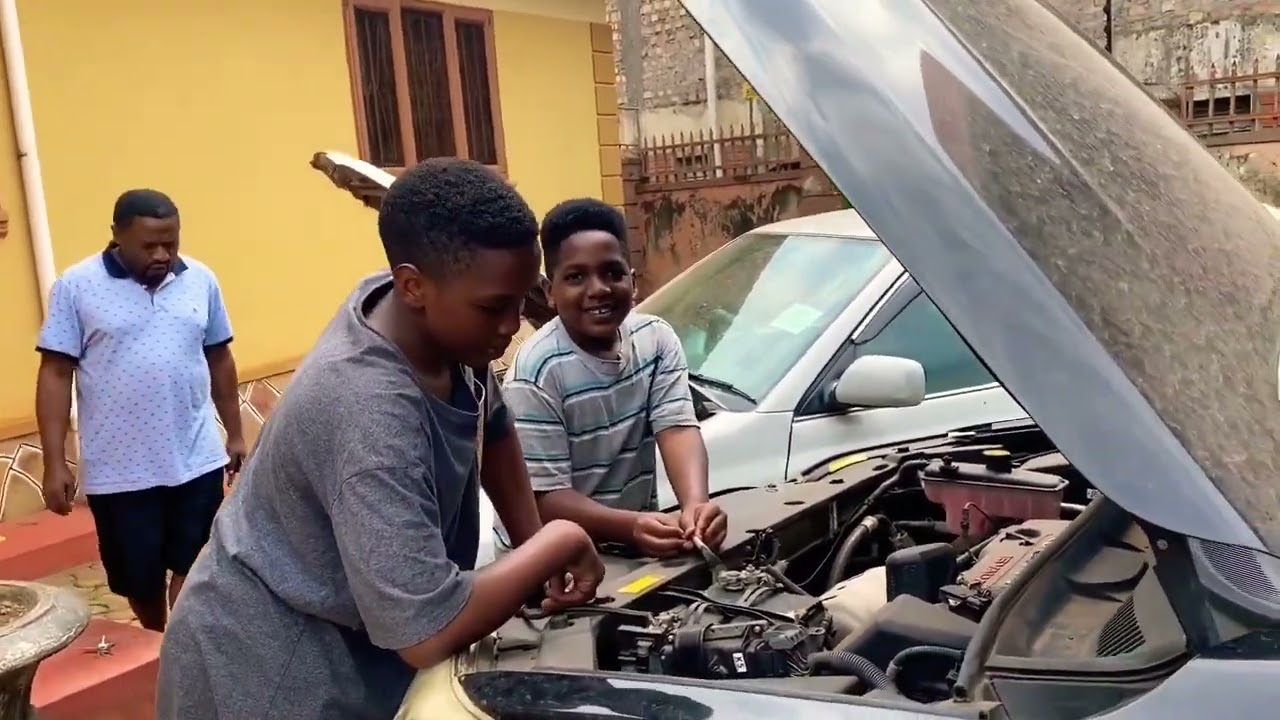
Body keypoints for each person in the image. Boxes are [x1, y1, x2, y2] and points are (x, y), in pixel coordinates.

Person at [155, 159, 604, 720]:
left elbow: (494, 424)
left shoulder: (432, 320)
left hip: (356, 642)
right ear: (413, 284)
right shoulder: (368, 414)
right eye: (495, 307)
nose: (512, 324)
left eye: (520, 301)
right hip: (269, 671)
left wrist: (530, 546)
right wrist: (556, 543)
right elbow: (425, 629)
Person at [34, 189, 244, 632]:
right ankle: (155, 636)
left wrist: (235, 432)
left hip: (196, 458)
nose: (162, 254)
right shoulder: (76, 286)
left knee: (198, 563)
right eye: (149, 245)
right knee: (140, 580)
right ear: (117, 237)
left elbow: (219, 357)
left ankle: (178, 650)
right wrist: (54, 462)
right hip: (121, 470)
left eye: (171, 242)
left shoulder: (201, 279)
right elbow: (55, 372)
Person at [495, 198, 728, 559]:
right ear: (549, 291)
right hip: (552, 561)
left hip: (630, 543)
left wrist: (696, 508)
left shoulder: (656, 339)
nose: (599, 289)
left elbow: (678, 428)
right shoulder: (537, 372)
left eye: (612, 273)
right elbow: (544, 497)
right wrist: (632, 525)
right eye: (575, 277)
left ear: (632, 282)